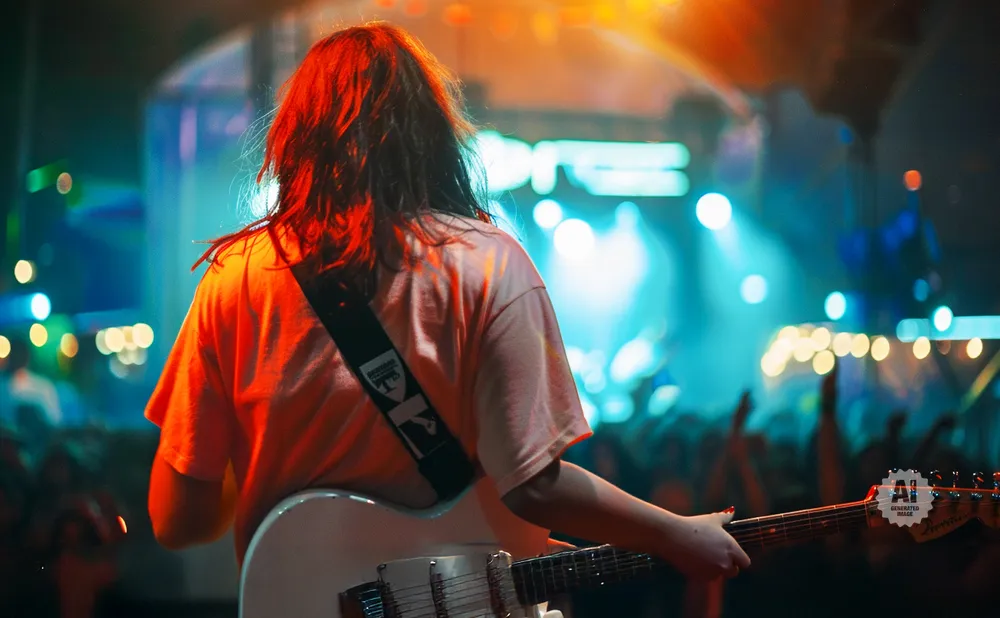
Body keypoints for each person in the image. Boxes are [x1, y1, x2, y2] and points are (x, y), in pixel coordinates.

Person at [145, 21, 749, 602]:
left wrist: (268, 450)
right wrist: (675, 532)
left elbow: (177, 520)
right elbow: (534, 485)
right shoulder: (489, 262)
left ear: (297, 138)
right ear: (433, 134)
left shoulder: (233, 277)